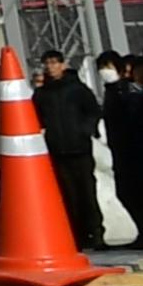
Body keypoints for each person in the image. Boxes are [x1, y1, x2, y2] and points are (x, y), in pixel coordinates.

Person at [95, 51, 143, 252]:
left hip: (141, 150)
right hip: (123, 151)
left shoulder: (130, 92)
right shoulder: (114, 92)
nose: (105, 72)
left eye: (109, 67)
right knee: (131, 194)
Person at [30, 50, 105, 251]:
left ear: (62, 65)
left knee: (88, 193)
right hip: (57, 150)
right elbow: (35, 118)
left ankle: (96, 234)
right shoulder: (42, 94)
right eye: (47, 63)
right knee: (68, 196)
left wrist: (85, 130)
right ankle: (77, 236)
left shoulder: (77, 89)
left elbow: (93, 111)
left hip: (79, 148)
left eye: (54, 62)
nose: (50, 67)